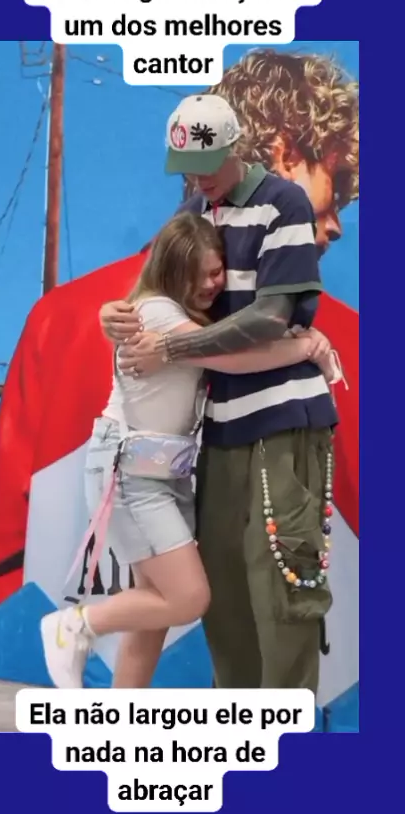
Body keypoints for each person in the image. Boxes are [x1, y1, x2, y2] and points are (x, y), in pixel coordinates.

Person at [0, 47, 358, 634]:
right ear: (284, 153)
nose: (336, 223)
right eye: (339, 181)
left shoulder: (59, 320)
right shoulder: (349, 341)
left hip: (92, 668)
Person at [99, 92, 339, 694]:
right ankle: (236, 725)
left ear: (237, 148)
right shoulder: (195, 210)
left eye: (206, 164)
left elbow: (270, 317)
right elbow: (154, 292)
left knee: (282, 586)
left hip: (282, 420)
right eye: (187, 168)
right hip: (219, 428)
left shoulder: (283, 203)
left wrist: (172, 349)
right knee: (224, 595)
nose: (198, 179)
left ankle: (285, 732)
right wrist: (114, 315)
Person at [39, 210, 334, 689]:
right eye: (199, 276)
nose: (212, 284)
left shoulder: (180, 316)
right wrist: (305, 348)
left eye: (217, 271)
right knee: (188, 598)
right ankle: (73, 626)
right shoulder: (156, 314)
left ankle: (120, 717)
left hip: (163, 470)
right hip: (133, 471)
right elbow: (234, 357)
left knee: (153, 608)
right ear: (173, 273)